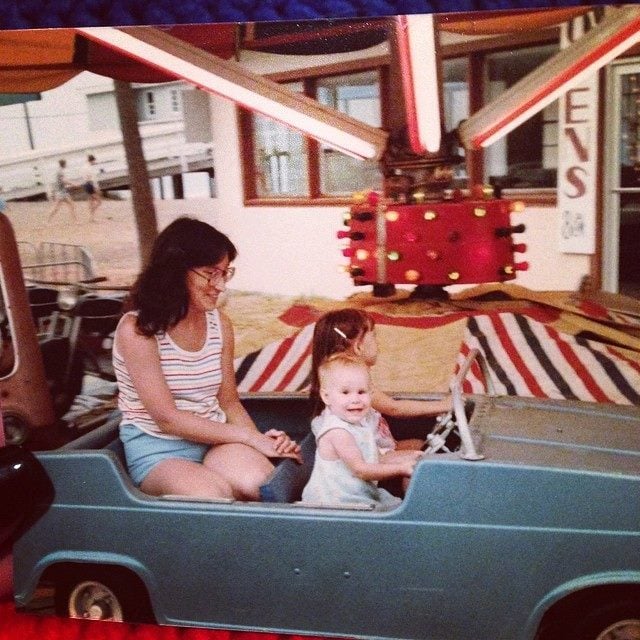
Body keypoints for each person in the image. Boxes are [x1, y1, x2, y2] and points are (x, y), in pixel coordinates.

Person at [113, 216, 301, 500]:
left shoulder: (219, 324)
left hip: (215, 441)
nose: (221, 286)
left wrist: (262, 444)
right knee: (213, 494)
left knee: (262, 484)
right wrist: (249, 438)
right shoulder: (137, 330)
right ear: (175, 270)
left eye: (225, 273)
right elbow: (168, 420)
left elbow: (228, 402)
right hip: (158, 451)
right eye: (211, 273)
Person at [309, 308, 453, 455]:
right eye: (375, 337)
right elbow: (394, 408)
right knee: (417, 458)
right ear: (358, 347)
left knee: (419, 445)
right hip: (370, 457)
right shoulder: (352, 388)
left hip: (379, 447)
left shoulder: (350, 380)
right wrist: (442, 405)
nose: (379, 344)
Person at [301, 353, 421, 510]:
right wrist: (401, 468)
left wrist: (411, 457)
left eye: (361, 392)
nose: (355, 399)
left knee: (397, 504)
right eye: (345, 392)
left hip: (356, 495)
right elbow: (361, 470)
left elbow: (374, 457)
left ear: (370, 393)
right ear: (326, 396)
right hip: (335, 504)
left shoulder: (359, 424)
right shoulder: (338, 431)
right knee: (396, 511)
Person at [48, 158, 76, 223]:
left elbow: (62, 181)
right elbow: (64, 181)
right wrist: (72, 183)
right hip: (61, 192)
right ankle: (48, 221)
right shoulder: (60, 172)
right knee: (56, 207)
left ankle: (75, 221)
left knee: (71, 205)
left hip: (62, 191)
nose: (66, 165)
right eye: (66, 164)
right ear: (64, 164)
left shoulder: (59, 171)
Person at [83, 154, 102, 220]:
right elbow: (92, 179)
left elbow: (85, 177)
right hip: (90, 184)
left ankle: (91, 217)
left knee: (91, 201)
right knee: (99, 202)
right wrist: (97, 187)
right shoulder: (90, 168)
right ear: (92, 160)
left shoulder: (85, 166)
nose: (94, 162)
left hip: (86, 184)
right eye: (94, 161)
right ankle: (91, 214)